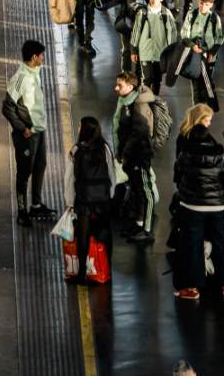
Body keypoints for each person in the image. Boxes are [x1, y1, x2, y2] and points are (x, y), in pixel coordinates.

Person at [171, 104, 224, 300]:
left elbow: (178, 173)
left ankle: (195, 286)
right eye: (207, 120)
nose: (209, 124)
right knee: (220, 242)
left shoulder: (185, 147)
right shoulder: (217, 150)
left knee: (194, 244)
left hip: (192, 204)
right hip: (217, 205)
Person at [1, 39, 54, 224]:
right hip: (27, 135)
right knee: (24, 173)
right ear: (34, 57)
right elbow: (7, 107)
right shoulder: (21, 78)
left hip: (40, 131)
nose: (43, 58)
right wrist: (22, 128)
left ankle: (36, 205)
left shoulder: (36, 72)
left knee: (40, 166)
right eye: (41, 55)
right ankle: (22, 212)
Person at [114, 70, 165, 241]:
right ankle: (139, 224)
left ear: (130, 86)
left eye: (119, 85)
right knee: (137, 190)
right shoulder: (126, 102)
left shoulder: (139, 106)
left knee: (146, 192)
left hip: (139, 156)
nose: (116, 88)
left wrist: (125, 153)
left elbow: (139, 134)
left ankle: (147, 230)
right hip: (130, 156)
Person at [71, 115, 115, 283]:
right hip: (102, 198)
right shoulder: (105, 148)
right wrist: (109, 195)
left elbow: (70, 179)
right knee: (105, 232)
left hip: (84, 200)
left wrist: (69, 202)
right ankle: (107, 269)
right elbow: (112, 174)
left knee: (83, 235)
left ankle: (82, 273)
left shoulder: (76, 150)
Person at [130, 0, 177, 95]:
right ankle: (145, 103)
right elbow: (136, 32)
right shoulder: (142, 13)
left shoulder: (167, 14)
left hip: (160, 53)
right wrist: (133, 50)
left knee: (157, 80)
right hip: (145, 51)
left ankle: (155, 102)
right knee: (146, 79)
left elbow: (172, 34)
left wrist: (171, 53)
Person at [179, 0, 223, 107]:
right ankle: (197, 109)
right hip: (194, 54)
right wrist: (192, 46)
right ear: (198, 2)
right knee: (195, 84)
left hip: (209, 56)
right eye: (201, 3)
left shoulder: (214, 18)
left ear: (211, 5)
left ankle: (208, 109)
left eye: (207, 4)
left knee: (207, 82)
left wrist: (212, 53)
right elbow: (184, 34)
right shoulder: (191, 14)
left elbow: (219, 38)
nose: (203, 6)